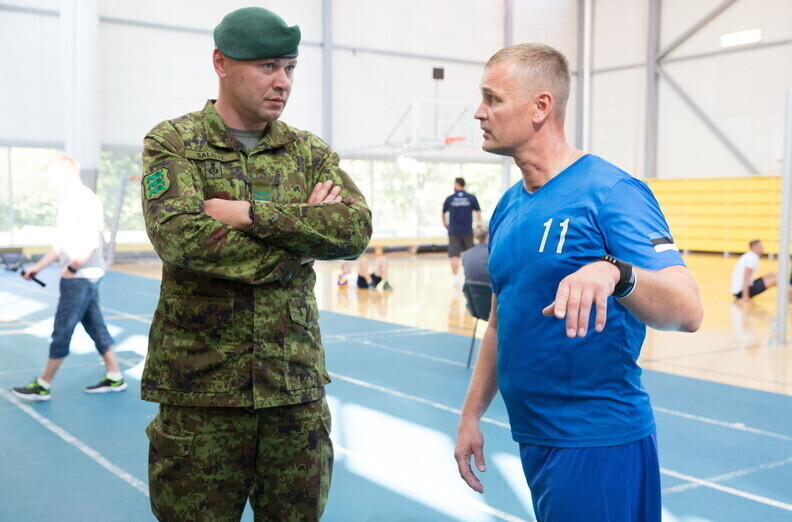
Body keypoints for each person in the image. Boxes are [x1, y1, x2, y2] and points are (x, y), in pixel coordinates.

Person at [453, 43, 703, 521]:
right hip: (536, 439)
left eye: (492, 99)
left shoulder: (611, 192)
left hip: (598, 443)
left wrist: (616, 272)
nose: (479, 113)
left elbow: (688, 309)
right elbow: (500, 323)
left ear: (540, 107)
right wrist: (470, 415)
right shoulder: (508, 206)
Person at [140, 7, 372, 521]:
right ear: (221, 63)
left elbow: (354, 229)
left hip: (293, 390)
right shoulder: (174, 143)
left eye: (289, 67)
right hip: (202, 394)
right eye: (267, 66)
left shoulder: (308, 151)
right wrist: (299, 247)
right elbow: (181, 238)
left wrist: (250, 214)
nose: (282, 81)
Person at [11, 155, 125, 401]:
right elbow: (60, 246)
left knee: (62, 329)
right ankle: (115, 375)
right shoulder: (70, 202)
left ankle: (43, 384)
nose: (51, 183)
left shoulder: (83, 200)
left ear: (66, 173)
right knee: (95, 325)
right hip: (80, 275)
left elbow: (91, 243)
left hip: (80, 276)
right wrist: (36, 268)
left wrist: (72, 269)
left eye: (53, 177)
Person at [442, 177, 481, 285]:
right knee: (470, 254)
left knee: (454, 255)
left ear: (457, 184)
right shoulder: (471, 197)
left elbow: (443, 213)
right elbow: (478, 212)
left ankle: (456, 279)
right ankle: (470, 276)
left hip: (453, 231)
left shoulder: (450, 198)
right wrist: (478, 226)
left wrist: (446, 224)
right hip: (467, 230)